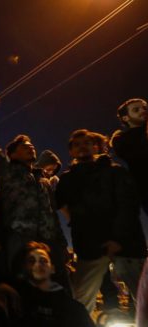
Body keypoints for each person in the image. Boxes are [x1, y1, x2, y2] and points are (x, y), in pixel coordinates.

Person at [0, 91, 69, 288]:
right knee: (22, 285)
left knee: (60, 285)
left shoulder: (42, 179)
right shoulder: (7, 171)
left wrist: (61, 243)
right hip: (20, 239)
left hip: (49, 240)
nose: (31, 148)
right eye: (24, 147)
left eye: (31, 146)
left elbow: (52, 212)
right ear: (11, 154)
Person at [56, 129, 147, 314]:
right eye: (76, 144)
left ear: (96, 146)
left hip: (126, 245)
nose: (82, 146)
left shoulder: (115, 171)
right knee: (81, 303)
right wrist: (77, 224)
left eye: (86, 142)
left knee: (144, 297)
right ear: (71, 152)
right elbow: (61, 204)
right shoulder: (67, 179)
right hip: (90, 248)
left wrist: (117, 238)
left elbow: (128, 206)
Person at [15, 241, 94, 327]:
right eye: (31, 260)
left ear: (52, 269)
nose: (37, 264)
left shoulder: (73, 309)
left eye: (43, 260)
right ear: (24, 267)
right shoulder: (14, 300)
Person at [110, 98, 148, 214]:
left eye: (145, 108)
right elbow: (138, 155)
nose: (143, 111)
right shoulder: (121, 139)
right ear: (125, 118)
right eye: (136, 110)